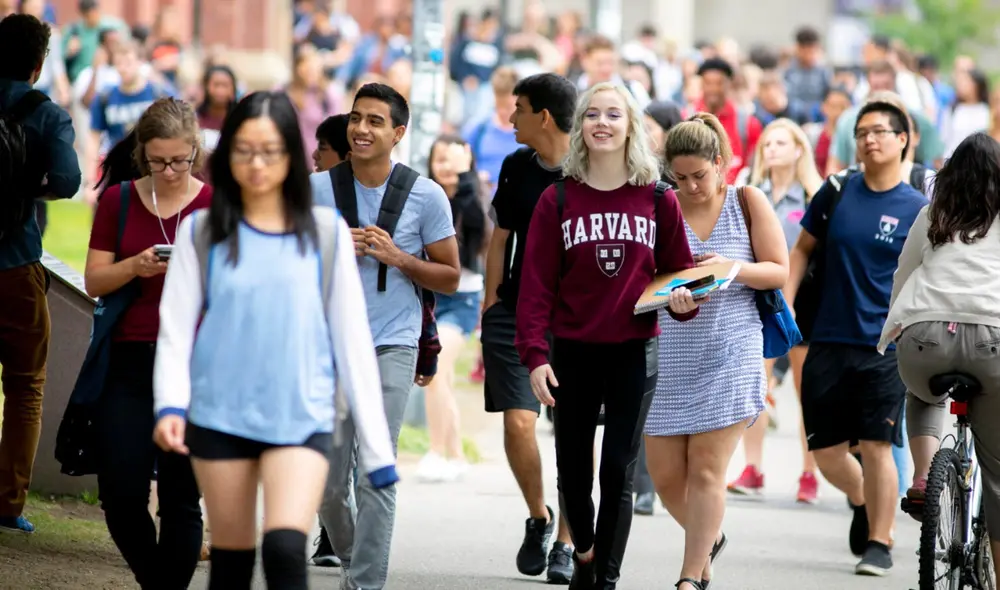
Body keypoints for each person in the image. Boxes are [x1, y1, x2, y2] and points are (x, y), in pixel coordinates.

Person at [151, 91, 398, 589]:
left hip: (301, 415)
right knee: (232, 566)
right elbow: (175, 330)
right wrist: (170, 407)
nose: (257, 164)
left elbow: (352, 341)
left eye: (270, 151)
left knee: (285, 553)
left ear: (290, 154)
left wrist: (376, 450)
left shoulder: (323, 231)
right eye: (244, 150)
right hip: (219, 415)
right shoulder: (203, 232)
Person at [516, 81, 699, 590]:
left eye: (613, 115)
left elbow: (677, 274)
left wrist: (684, 304)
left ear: (630, 126)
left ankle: (606, 578)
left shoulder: (659, 198)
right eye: (592, 114)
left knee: (617, 469)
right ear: (580, 127)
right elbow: (534, 289)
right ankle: (586, 551)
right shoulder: (557, 199)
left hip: (633, 352)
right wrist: (534, 356)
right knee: (574, 473)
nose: (602, 122)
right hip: (571, 352)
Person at [310, 82, 461, 590]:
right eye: (356, 118)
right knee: (327, 484)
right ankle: (358, 557)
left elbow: (451, 276)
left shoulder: (425, 195)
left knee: (375, 469)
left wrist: (399, 258)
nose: (361, 129)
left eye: (375, 121)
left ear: (398, 132)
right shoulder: (317, 191)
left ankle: (365, 583)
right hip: (327, 347)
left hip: (392, 343)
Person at [784, 99, 928, 577]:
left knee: (877, 445)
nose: (869, 139)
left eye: (880, 131)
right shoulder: (838, 189)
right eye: (862, 132)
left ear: (903, 139)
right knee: (826, 452)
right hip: (826, 336)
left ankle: (880, 542)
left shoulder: (919, 208)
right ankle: (864, 498)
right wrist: (784, 302)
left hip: (885, 345)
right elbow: (802, 249)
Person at [645, 113, 789, 590]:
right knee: (665, 477)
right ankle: (708, 540)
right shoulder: (661, 206)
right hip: (669, 353)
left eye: (699, 176)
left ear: (721, 164)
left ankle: (691, 577)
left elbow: (778, 270)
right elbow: (648, 277)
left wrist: (733, 268)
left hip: (732, 347)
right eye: (679, 178)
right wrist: (672, 292)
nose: (690, 187)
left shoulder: (747, 200)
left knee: (707, 469)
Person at [84, 98, 210, 588]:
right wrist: (135, 266)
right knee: (119, 493)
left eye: (180, 160)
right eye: (158, 161)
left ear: (195, 151)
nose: (170, 170)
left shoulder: (214, 206)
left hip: (195, 364)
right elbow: (94, 280)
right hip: (130, 359)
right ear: (142, 154)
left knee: (181, 496)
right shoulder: (118, 200)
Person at [880, 133, 1000, 585]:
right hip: (993, 339)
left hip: (924, 337)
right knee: (998, 478)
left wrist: (892, 330)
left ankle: (926, 474)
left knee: (921, 390)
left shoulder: (934, 214)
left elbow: (904, 273)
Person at [480, 72, 578, 585]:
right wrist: (492, 302)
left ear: (543, 115)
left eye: (517, 109)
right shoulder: (517, 165)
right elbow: (500, 236)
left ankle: (565, 539)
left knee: (571, 433)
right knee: (519, 422)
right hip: (516, 314)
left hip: (577, 322)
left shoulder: (589, 170)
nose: (509, 117)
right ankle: (538, 518)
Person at [0, 12, 81, 535]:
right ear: (38, 64)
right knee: (27, 385)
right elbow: (69, 182)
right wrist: (28, 191)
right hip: (15, 259)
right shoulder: (46, 113)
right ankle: (7, 503)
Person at [727, 118, 823, 504]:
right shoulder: (748, 193)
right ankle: (753, 468)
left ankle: (809, 472)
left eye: (781, 143)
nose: (772, 150)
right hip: (759, 300)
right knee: (756, 388)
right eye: (767, 144)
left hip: (805, 301)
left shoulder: (815, 196)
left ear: (799, 149)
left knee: (806, 391)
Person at [416, 135, 487, 483]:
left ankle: (438, 451)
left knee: (439, 365)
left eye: (451, 159)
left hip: (462, 298)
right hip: (429, 297)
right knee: (436, 375)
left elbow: (478, 228)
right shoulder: (422, 196)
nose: (443, 165)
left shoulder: (473, 196)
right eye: (439, 159)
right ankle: (453, 453)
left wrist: (464, 179)